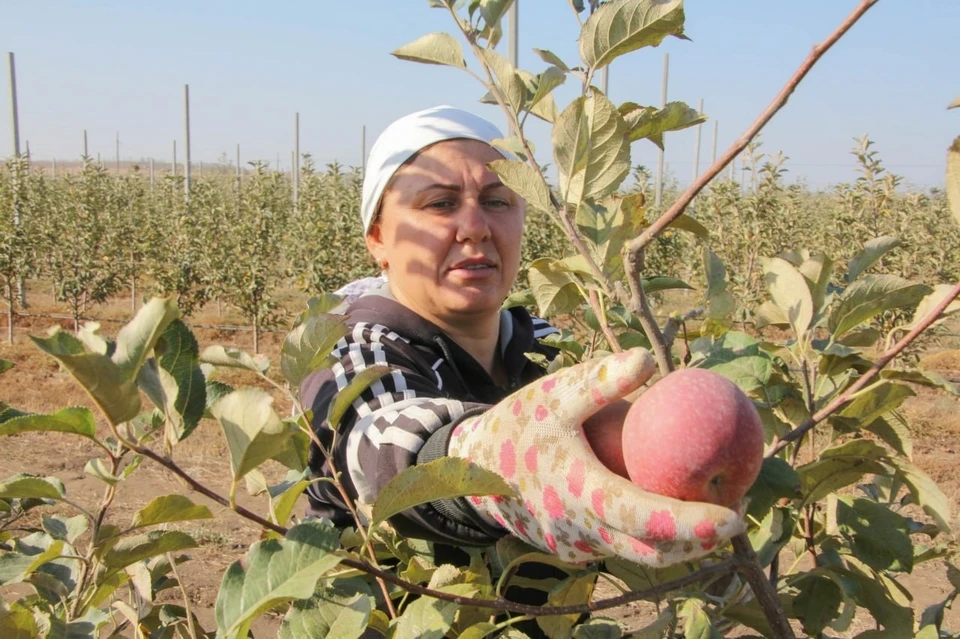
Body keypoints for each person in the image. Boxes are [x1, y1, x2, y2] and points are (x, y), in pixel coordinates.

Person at [302, 105, 743, 634]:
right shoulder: (350, 349)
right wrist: (496, 463)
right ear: (378, 237)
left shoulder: (549, 350)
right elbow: (383, 443)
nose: (475, 227)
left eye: (497, 202)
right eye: (440, 203)